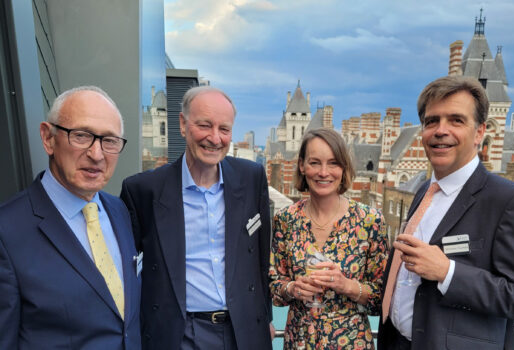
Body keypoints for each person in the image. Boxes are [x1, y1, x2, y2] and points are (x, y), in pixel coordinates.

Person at [377, 76, 514, 350]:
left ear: (479, 132)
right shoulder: (423, 191)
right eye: (432, 121)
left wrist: (448, 272)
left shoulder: (510, 200)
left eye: (456, 120)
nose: (440, 130)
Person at [120, 86, 273, 349]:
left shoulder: (251, 178)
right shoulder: (143, 190)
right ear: (183, 124)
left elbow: (259, 261)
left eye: (224, 129)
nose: (215, 138)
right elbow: (123, 269)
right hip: (179, 334)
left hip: (243, 331)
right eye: (205, 125)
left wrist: (266, 318)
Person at [0, 86, 141, 349]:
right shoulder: (7, 232)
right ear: (48, 138)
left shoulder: (119, 211)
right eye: (81, 135)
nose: (97, 154)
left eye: (109, 141)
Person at [270, 128, 389, 349]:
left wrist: (347, 285)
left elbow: (383, 298)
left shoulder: (370, 221)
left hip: (351, 343)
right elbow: (275, 285)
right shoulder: (285, 220)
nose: (323, 172)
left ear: (344, 169)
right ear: (302, 166)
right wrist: (293, 289)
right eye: (315, 163)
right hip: (300, 341)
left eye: (333, 163)